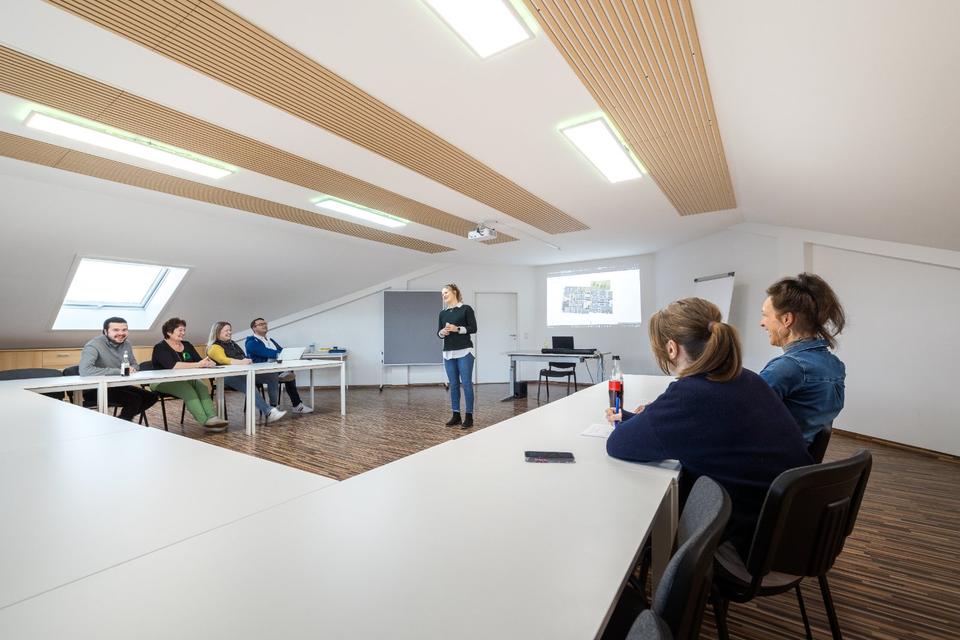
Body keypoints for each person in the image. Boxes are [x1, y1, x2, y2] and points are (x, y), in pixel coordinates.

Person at [605, 298, 812, 559]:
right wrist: (639, 418)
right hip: (796, 528)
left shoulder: (691, 395)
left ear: (671, 349)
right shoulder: (746, 378)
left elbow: (618, 444)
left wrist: (641, 420)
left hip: (752, 547)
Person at [759, 273, 846, 444]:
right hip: (800, 454)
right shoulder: (835, 365)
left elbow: (744, 415)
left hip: (771, 457)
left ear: (786, 319)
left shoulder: (787, 368)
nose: (762, 323)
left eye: (765, 315)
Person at [150, 317, 229, 432]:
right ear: (169, 332)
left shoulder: (187, 345)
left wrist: (208, 362)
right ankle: (205, 421)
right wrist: (199, 364)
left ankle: (212, 417)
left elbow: (199, 360)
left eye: (184, 330)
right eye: (180, 330)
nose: (183, 333)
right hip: (161, 381)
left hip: (185, 379)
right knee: (188, 390)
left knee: (202, 386)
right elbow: (174, 365)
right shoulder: (160, 347)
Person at [78, 316, 158, 421]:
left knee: (152, 397)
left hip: (118, 385)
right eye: (116, 330)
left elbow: (135, 365)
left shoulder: (127, 344)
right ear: (105, 331)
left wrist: (132, 368)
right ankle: (122, 423)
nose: (121, 333)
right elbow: (85, 370)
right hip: (95, 389)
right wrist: (120, 371)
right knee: (135, 399)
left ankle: (120, 421)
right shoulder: (93, 345)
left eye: (124, 330)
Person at [207, 321, 286, 424]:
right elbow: (224, 360)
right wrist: (242, 362)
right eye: (226, 330)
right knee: (249, 383)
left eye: (230, 330)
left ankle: (274, 406)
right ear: (217, 332)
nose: (229, 332)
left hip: (244, 373)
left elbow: (243, 357)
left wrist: (247, 360)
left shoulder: (232, 343)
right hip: (227, 377)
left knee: (272, 375)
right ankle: (268, 412)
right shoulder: (214, 347)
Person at [243, 317, 313, 414]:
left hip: (274, 368)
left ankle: (297, 405)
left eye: (265, 323)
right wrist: (282, 354)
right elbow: (266, 352)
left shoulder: (270, 340)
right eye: (261, 324)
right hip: (260, 372)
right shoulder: (251, 342)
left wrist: (286, 353)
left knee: (289, 372)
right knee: (276, 375)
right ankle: (273, 407)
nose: (264, 325)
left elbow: (281, 350)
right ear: (254, 328)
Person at [438, 283, 477, 429]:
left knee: (466, 384)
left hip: (465, 351)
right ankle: (456, 415)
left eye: (446, 292)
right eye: (442, 294)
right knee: (453, 384)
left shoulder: (466, 309)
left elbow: (473, 328)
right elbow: (438, 333)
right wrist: (442, 332)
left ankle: (469, 417)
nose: (443, 295)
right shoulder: (443, 313)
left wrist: (457, 329)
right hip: (448, 352)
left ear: (454, 292)